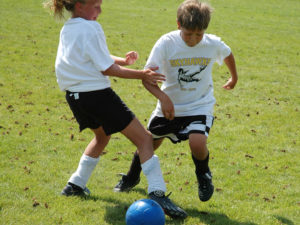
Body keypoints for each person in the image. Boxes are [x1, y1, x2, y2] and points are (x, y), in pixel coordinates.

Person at [44, 0, 187, 219]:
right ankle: (157, 192)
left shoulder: (69, 27)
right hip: (97, 96)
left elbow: (93, 56)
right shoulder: (91, 27)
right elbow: (106, 69)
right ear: (80, 5)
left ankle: (75, 184)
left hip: (75, 97)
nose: (100, 11)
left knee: (101, 137)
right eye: (96, 5)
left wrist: (123, 60)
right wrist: (142, 74)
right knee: (145, 140)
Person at [114, 0, 238, 204]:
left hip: (200, 104)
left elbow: (228, 54)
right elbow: (147, 77)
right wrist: (163, 98)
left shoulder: (211, 43)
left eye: (199, 34)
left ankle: (203, 176)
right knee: (149, 142)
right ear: (178, 25)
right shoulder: (166, 43)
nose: (194, 39)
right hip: (170, 106)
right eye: (189, 34)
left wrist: (234, 77)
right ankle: (132, 176)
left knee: (197, 142)